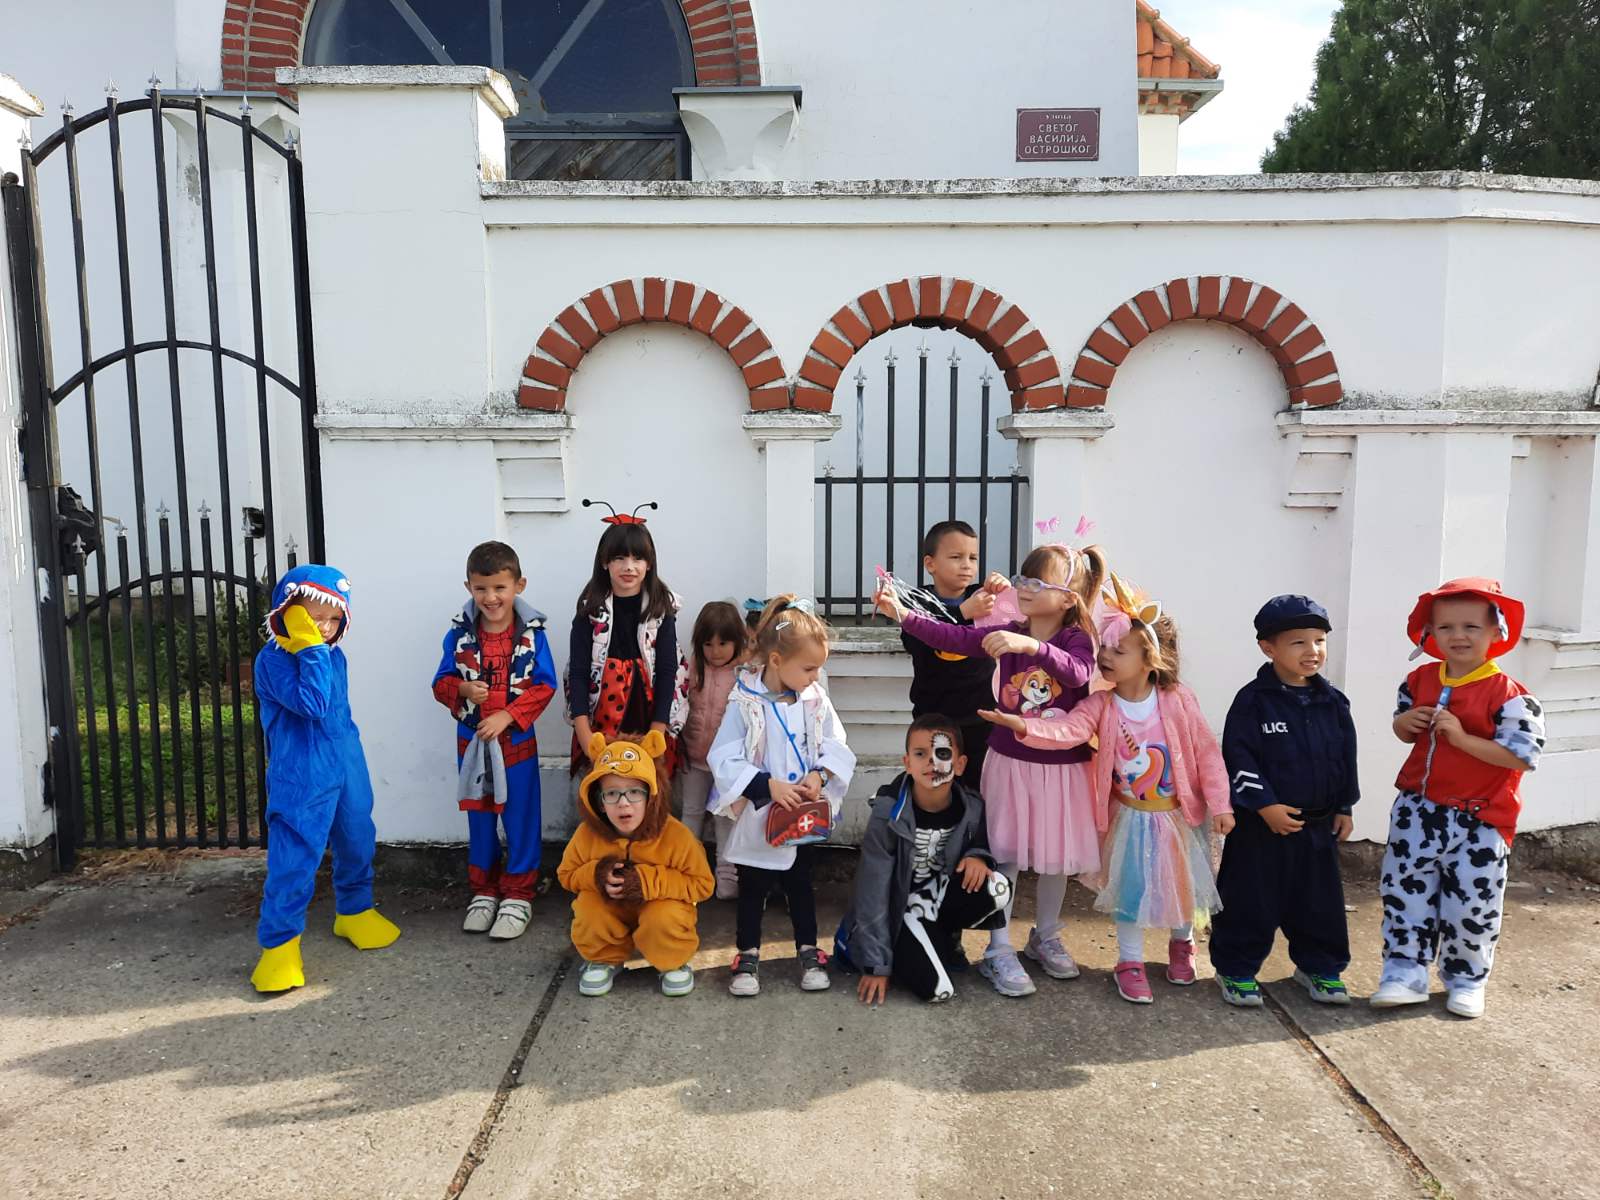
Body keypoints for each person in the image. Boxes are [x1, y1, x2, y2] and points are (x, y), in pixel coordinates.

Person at [985, 575, 1231, 1004]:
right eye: (1105, 648)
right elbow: (1069, 729)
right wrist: (1024, 725)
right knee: (1130, 891)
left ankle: (1182, 943)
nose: (1105, 657)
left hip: (1177, 816)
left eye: (1119, 650)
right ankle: (1129, 961)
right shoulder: (1102, 703)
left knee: (1183, 885)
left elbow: (1207, 752)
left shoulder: (1178, 699)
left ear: (1150, 659)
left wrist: (1221, 803)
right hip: (1130, 817)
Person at [877, 541, 1106, 998]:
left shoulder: (1076, 638)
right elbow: (952, 637)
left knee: (1056, 859)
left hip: (1063, 768)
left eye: (1038, 582)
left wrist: (1030, 645)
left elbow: (1079, 673)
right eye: (1023, 578)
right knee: (1007, 856)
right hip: (1010, 764)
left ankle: (1046, 936)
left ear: (1067, 598)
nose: (1025, 588)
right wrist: (902, 614)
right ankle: (998, 949)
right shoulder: (1006, 631)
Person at [1370, 578, 1543, 1019]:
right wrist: (1405, 723)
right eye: (1446, 627)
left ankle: (1466, 979)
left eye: (1471, 626)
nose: (1458, 636)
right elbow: (1401, 728)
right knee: (1404, 893)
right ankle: (1404, 972)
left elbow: (1521, 757)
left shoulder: (1511, 696)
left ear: (1496, 631)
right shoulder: (1419, 680)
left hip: (1481, 818)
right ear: (1430, 633)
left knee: (1472, 903)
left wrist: (1462, 739)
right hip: (1417, 810)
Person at [250, 566, 399, 993]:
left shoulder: (334, 657)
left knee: (357, 836)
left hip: (344, 757)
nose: (325, 627)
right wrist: (310, 647)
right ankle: (279, 946)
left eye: (334, 619)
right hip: (301, 771)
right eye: (314, 618)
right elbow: (313, 703)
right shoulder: (273, 660)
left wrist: (318, 649)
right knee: (295, 854)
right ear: (289, 613)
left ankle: (354, 910)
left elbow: (337, 710)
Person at [1208, 595, 1358, 1009]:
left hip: (1317, 827)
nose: (1312, 651)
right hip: (1261, 828)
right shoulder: (1253, 701)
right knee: (1249, 900)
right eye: (1298, 642)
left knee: (1319, 903)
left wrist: (1344, 805)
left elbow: (1345, 757)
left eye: (1319, 640)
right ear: (1268, 648)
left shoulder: (1333, 703)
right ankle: (1236, 968)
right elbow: (1238, 757)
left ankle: (1319, 966)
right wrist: (1265, 805)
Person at [708, 595, 856, 997]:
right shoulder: (745, 701)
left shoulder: (815, 700)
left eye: (818, 668)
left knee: (800, 884)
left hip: (802, 816)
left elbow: (836, 744)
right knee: (752, 887)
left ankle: (808, 950)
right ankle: (747, 954)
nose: (815, 676)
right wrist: (765, 785)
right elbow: (723, 755)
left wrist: (820, 775)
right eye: (808, 668)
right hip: (761, 815)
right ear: (776, 661)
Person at [835, 716, 1011, 1004]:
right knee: (938, 990)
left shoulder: (971, 807)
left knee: (997, 888)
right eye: (920, 754)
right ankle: (854, 942)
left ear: (960, 764)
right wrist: (876, 964)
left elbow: (981, 843)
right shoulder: (888, 813)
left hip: (935, 903)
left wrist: (977, 857)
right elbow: (872, 890)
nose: (931, 761)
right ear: (907, 763)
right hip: (897, 911)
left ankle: (941, 939)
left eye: (942, 753)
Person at [431, 541, 558, 940]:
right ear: (468, 587)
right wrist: (464, 690)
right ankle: (484, 890)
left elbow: (545, 685)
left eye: (499, 587)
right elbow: (441, 682)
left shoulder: (533, 636)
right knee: (481, 816)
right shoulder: (458, 635)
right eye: (481, 588)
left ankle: (518, 894)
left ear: (519, 585)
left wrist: (507, 715)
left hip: (516, 745)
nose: (491, 597)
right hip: (472, 745)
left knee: (520, 816)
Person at [558, 731, 714, 998]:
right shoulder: (587, 834)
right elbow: (566, 874)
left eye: (634, 792)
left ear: (651, 796)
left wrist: (647, 882)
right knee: (588, 908)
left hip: (657, 907)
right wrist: (596, 874)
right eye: (612, 794)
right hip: (610, 910)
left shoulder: (675, 835)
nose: (623, 803)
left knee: (665, 916)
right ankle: (603, 957)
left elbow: (702, 884)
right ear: (599, 801)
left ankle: (672, 960)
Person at [566, 503, 689, 777]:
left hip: (647, 713)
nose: (629, 567)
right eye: (619, 558)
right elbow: (578, 673)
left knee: (648, 783)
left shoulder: (661, 609)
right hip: (602, 717)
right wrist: (584, 732)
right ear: (604, 562)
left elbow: (668, 669)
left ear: (649, 563)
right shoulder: (589, 611)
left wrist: (658, 728)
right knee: (605, 782)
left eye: (638, 558)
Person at [898, 519, 1010, 789]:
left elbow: (1017, 621)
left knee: (980, 787)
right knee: (936, 786)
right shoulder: (916, 601)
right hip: (934, 717)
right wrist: (962, 613)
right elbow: (915, 639)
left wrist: (1007, 593)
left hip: (982, 717)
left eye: (973, 558)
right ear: (930, 564)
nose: (966, 565)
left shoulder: (983, 597)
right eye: (956, 557)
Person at [677, 600, 746, 900]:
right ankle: (687, 875)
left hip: (729, 765)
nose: (715, 651)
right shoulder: (693, 668)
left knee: (725, 821)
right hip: (693, 758)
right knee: (690, 815)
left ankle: (727, 880)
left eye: (722, 643)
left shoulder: (745, 673)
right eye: (708, 644)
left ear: (737, 641)